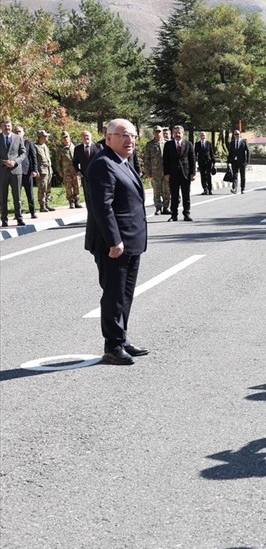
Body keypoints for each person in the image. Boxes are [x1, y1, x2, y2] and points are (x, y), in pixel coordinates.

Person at [85, 118, 150, 365]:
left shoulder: (122, 161)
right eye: (123, 135)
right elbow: (102, 207)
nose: (130, 140)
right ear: (108, 136)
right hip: (114, 244)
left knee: (125, 294)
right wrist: (114, 240)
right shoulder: (103, 164)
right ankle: (112, 346)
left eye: (133, 135)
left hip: (130, 241)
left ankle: (121, 339)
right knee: (114, 294)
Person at [163, 125, 195, 221]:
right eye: (175, 133)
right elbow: (165, 160)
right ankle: (174, 215)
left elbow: (192, 159)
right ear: (173, 134)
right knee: (174, 195)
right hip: (173, 174)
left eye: (179, 133)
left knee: (186, 195)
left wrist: (193, 173)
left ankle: (187, 214)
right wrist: (166, 173)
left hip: (185, 173)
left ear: (183, 133)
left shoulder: (188, 144)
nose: (177, 134)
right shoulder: (168, 145)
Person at [0, 118, 25, 227]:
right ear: (1, 127)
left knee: (17, 196)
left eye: (8, 126)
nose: (7, 128)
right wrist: (3, 162)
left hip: (16, 171)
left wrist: (15, 162)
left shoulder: (18, 138)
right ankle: (4, 220)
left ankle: (19, 218)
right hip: (3, 171)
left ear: (11, 126)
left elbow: (23, 153)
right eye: (5, 126)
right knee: (3, 197)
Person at [14, 126, 39, 218]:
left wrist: (35, 170)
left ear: (23, 133)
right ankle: (18, 213)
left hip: (27, 172)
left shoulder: (28, 143)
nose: (18, 133)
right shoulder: (11, 143)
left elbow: (33, 157)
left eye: (19, 131)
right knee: (17, 194)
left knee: (30, 193)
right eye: (16, 132)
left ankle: (32, 212)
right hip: (15, 172)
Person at [143, 127, 167, 214]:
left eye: (159, 131)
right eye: (156, 132)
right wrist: (148, 173)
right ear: (153, 133)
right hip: (155, 172)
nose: (158, 133)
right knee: (156, 191)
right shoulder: (149, 145)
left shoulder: (166, 144)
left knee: (166, 190)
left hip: (166, 171)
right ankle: (158, 208)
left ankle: (166, 207)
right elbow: (146, 159)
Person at [73, 130, 99, 205]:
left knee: (97, 195)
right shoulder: (78, 149)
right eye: (84, 136)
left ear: (91, 137)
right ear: (81, 138)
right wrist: (78, 171)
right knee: (88, 196)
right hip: (85, 176)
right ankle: (90, 213)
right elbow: (74, 162)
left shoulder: (98, 147)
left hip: (97, 176)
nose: (86, 137)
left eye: (87, 135)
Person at [56, 132, 80, 209]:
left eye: (67, 137)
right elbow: (58, 161)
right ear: (62, 139)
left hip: (75, 170)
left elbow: (78, 158)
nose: (65, 139)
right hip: (66, 171)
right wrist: (59, 171)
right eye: (64, 137)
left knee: (77, 186)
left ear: (69, 137)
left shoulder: (75, 147)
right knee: (69, 187)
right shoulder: (60, 149)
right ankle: (71, 201)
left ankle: (77, 201)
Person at [34, 130, 54, 213]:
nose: (47, 137)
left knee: (48, 188)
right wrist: (36, 170)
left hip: (49, 170)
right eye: (45, 136)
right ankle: (42, 206)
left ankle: (47, 203)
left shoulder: (45, 146)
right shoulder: (36, 146)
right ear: (40, 137)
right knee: (42, 188)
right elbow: (34, 160)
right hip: (41, 171)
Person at [227, 129, 250, 194]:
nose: (237, 135)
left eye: (238, 134)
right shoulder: (231, 143)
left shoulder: (244, 142)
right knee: (235, 175)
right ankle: (235, 188)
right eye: (235, 134)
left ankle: (243, 189)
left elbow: (248, 151)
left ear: (240, 135)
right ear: (234, 135)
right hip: (234, 161)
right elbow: (230, 153)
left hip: (242, 161)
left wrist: (247, 161)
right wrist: (229, 162)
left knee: (242, 176)